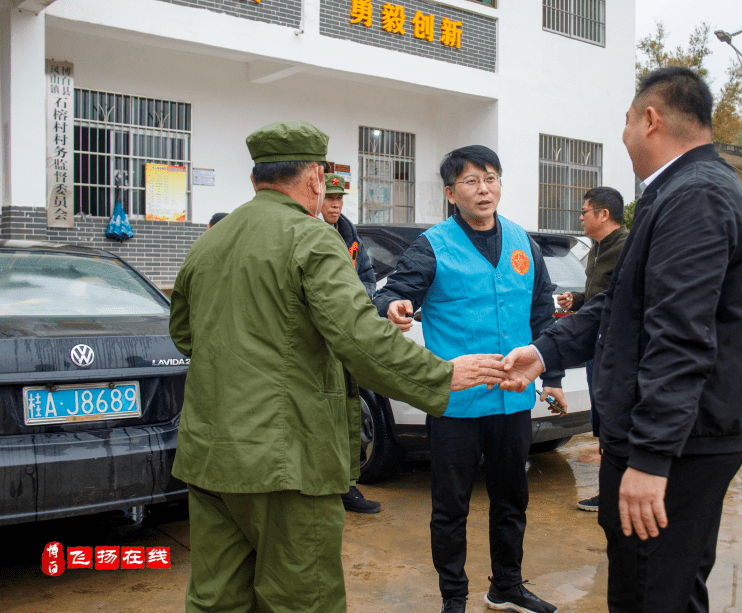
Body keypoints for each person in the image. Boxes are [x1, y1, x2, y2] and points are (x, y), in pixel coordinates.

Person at [169, 121, 507, 613]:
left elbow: (184, 335)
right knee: (303, 600)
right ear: (313, 177)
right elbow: (359, 340)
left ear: (255, 179)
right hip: (288, 461)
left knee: (216, 599)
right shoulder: (311, 239)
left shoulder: (211, 242)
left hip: (212, 456)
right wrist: (444, 376)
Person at [500, 66, 742, 613]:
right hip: (680, 437)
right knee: (666, 587)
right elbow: (619, 306)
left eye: (624, 124)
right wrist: (546, 349)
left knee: (649, 593)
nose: (622, 138)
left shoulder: (695, 198)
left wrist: (649, 460)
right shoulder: (676, 193)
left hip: (682, 444)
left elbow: (679, 338)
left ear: (650, 119)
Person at [373, 145, 563, 613]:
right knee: (450, 507)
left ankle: (507, 586)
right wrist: (394, 306)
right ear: (450, 193)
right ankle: (453, 597)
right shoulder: (432, 245)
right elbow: (396, 292)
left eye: (492, 178)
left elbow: (543, 314)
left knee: (511, 501)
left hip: (512, 398)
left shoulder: (523, 243)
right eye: (472, 181)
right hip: (456, 402)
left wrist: (552, 375)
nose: (484, 189)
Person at [556, 186, 629, 512]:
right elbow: (599, 294)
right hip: (595, 346)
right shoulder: (597, 249)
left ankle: (617, 494)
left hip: (618, 350)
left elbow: (619, 300)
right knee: (603, 422)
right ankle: (610, 491)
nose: (581, 218)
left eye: (585, 212)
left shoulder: (626, 248)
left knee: (616, 422)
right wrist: (578, 300)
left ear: (603, 214)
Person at [321, 170, 381, 514]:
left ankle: (347, 486)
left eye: (340, 199)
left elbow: (368, 276)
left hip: (346, 340)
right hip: (319, 344)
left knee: (349, 413)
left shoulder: (349, 235)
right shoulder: (308, 235)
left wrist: (363, 299)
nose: (335, 205)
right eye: (330, 198)